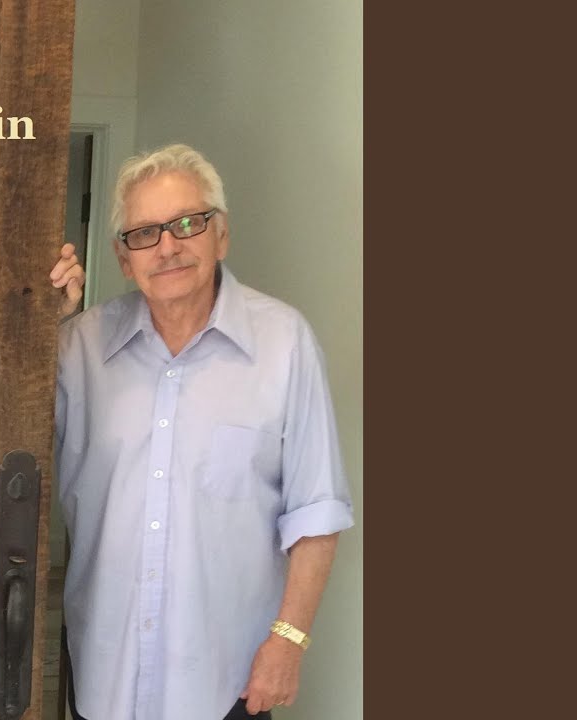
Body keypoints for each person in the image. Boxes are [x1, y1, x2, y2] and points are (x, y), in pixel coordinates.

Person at [48, 144, 353, 719]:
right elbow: (2, 443)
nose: (168, 247)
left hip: (226, 683)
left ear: (222, 235)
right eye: (145, 233)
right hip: (104, 673)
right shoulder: (76, 346)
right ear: (123, 258)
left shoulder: (284, 343)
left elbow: (317, 512)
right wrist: (37, 321)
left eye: (188, 223)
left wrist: (289, 641)